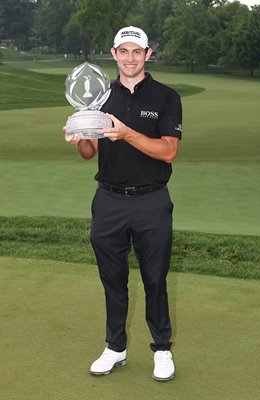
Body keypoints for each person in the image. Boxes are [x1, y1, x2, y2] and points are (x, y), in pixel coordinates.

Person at [63, 26, 182, 381]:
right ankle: (116, 347)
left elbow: (169, 151)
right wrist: (79, 139)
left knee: (155, 279)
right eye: (123, 51)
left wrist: (126, 132)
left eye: (137, 51)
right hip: (109, 201)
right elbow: (90, 152)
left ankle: (161, 348)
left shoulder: (165, 96)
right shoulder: (100, 96)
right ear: (113, 54)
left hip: (152, 201)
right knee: (113, 280)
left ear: (148, 55)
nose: (130, 58)